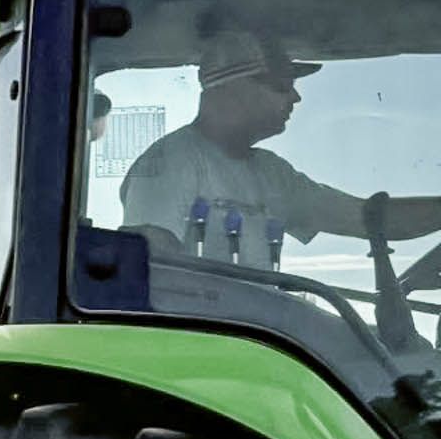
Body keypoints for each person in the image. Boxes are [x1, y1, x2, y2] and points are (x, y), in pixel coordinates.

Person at [120, 29, 441, 269]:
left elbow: (367, 219)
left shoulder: (272, 173)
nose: (295, 98)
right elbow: (151, 271)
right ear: (230, 88)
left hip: (258, 336)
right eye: (281, 85)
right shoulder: (172, 161)